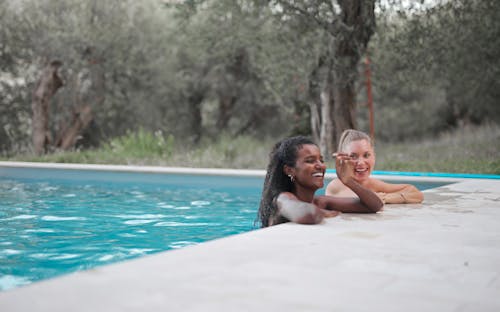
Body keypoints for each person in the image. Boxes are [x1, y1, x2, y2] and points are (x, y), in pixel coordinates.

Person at [257, 136, 384, 227]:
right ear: (290, 170)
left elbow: (375, 205)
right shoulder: (282, 199)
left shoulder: (320, 201)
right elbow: (308, 215)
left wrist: (348, 181)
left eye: (321, 160)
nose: (320, 166)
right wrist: (324, 212)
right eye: (310, 161)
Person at [325, 129, 424, 204]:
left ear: (374, 157)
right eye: (353, 156)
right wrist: (388, 197)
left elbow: (415, 193)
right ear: (343, 159)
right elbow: (370, 201)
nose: (361, 162)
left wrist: (386, 197)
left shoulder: (371, 184)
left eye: (366, 155)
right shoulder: (336, 186)